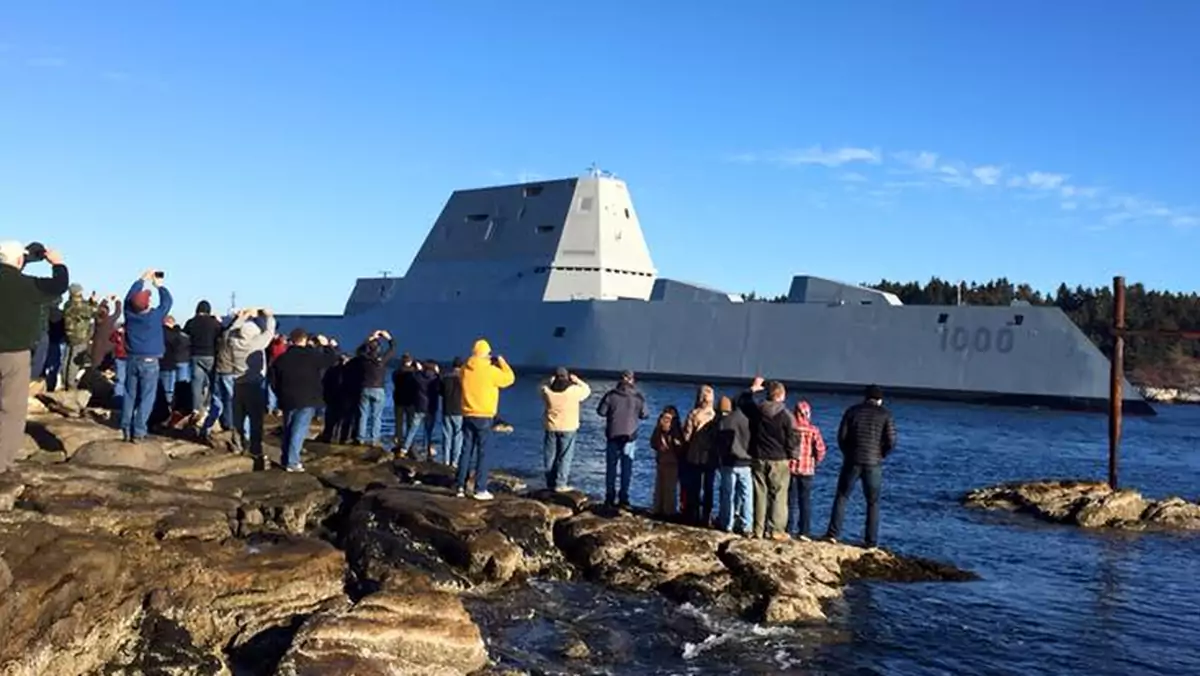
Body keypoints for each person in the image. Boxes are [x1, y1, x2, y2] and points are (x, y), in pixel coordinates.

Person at [0, 241, 69, 473]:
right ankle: (2, 462)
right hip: (15, 354)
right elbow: (59, 285)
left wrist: (28, 257)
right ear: (20, 261)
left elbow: (10, 266)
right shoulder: (27, 286)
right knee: (12, 410)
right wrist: (57, 263)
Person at [824, 385, 897, 548]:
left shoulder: (852, 411)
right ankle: (870, 541)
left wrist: (847, 453)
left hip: (852, 460)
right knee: (873, 502)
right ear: (880, 399)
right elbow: (891, 441)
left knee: (842, 496)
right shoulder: (885, 414)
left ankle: (833, 534)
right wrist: (881, 454)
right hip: (874, 462)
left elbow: (841, 437)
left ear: (864, 397)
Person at [269, 328, 338, 471]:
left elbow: (273, 381)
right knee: (298, 430)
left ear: (291, 341)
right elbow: (331, 360)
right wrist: (327, 346)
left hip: (287, 398)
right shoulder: (312, 356)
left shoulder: (281, 359)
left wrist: (280, 394)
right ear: (305, 340)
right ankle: (292, 462)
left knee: (288, 429)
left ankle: (285, 458)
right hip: (308, 397)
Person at [454, 339, 515, 500]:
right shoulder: (491, 371)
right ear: (486, 354)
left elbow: (460, 376)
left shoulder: (464, 370)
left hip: (467, 414)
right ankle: (480, 489)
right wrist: (501, 361)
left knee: (465, 451)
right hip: (485, 416)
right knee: (483, 453)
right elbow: (510, 378)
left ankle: (459, 486)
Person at [738, 378, 797, 540]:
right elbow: (793, 438)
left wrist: (753, 388)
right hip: (779, 458)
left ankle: (758, 529)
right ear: (782, 395)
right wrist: (793, 455)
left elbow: (741, 400)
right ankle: (776, 530)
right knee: (779, 495)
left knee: (760, 494)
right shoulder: (786, 416)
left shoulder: (756, 411)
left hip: (759, 456)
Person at [120, 271, 173, 443]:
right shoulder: (154, 316)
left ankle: (126, 428)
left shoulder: (130, 313)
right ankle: (139, 431)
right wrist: (159, 285)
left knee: (129, 395)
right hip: (150, 360)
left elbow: (128, 298)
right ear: (147, 304)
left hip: (132, 359)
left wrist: (141, 280)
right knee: (147, 397)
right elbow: (167, 302)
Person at [596, 370, 649, 510]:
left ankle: (609, 497)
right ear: (632, 380)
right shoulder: (638, 397)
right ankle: (623, 498)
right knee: (627, 469)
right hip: (630, 437)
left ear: (620, 380)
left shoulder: (611, 395)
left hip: (613, 435)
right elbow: (645, 414)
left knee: (611, 468)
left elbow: (601, 412)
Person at [540, 367, 592, 492]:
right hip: (569, 427)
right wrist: (577, 380)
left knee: (550, 455)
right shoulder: (573, 391)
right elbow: (587, 390)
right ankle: (561, 483)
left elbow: (541, 387)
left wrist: (550, 381)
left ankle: (550, 482)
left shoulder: (547, 391)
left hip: (551, 427)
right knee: (565, 456)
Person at [788, 400, 827, 540]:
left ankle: (788, 528)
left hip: (791, 468)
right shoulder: (813, 430)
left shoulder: (791, 428)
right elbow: (821, 450)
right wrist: (815, 462)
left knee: (790, 501)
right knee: (805, 501)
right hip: (807, 469)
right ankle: (804, 531)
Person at [681, 384, 719, 526]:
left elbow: (687, 436)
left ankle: (693, 515)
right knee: (709, 488)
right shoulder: (715, 416)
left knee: (695, 487)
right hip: (710, 458)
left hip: (695, 456)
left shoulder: (694, 414)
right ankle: (707, 516)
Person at [716, 395, 754, 535]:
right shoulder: (749, 421)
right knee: (747, 495)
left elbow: (720, 443)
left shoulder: (725, 421)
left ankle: (727, 523)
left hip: (728, 462)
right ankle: (747, 525)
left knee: (728, 494)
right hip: (745, 462)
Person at [355, 330, 393, 448]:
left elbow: (358, 351)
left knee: (363, 414)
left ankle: (360, 438)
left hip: (365, 388)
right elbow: (393, 349)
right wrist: (389, 338)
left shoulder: (364, 359)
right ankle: (374, 439)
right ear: (378, 350)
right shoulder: (382, 359)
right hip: (378, 389)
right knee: (377, 416)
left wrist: (370, 338)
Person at [184, 300, 222, 418]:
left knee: (196, 383)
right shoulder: (214, 323)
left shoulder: (191, 322)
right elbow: (222, 334)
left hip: (195, 355)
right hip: (211, 355)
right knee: (212, 383)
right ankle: (208, 406)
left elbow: (184, 335)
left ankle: (196, 408)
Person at [402, 361, 441, 460]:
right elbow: (441, 385)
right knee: (428, 431)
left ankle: (404, 448)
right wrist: (438, 372)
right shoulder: (435, 378)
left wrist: (419, 369)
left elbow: (413, 376)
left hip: (420, 406)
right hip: (431, 407)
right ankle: (427, 450)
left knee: (412, 429)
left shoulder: (419, 377)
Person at [61, 284, 96, 390]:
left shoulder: (68, 304)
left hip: (68, 335)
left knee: (67, 358)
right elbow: (94, 312)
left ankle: (64, 380)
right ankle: (70, 384)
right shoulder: (81, 304)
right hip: (80, 336)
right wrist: (93, 301)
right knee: (75, 361)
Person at [649, 405, 683, 517]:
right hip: (673, 461)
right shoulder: (676, 428)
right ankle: (669, 511)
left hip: (661, 459)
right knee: (670, 489)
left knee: (659, 487)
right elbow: (679, 445)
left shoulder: (658, 427)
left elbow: (653, 443)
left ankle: (657, 509)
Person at [159, 315, 191, 407]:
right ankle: (172, 405)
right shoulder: (177, 335)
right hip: (173, 362)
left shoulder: (158, 333)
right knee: (175, 387)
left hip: (160, 362)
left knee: (162, 387)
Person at [439, 357, 465, 466]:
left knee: (447, 436)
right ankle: (455, 461)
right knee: (458, 437)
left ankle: (445, 460)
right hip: (459, 410)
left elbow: (440, 392)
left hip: (447, 409)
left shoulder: (445, 378)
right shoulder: (464, 379)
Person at [392, 353, 419, 448]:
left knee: (398, 423)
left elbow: (394, 381)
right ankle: (409, 443)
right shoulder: (414, 373)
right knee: (410, 423)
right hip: (411, 401)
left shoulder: (397, 372)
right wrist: (417, 367)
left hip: (398, 399)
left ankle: (398, 441)